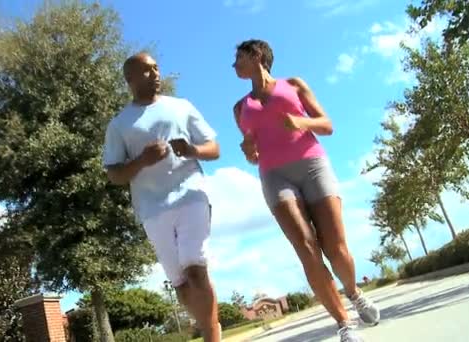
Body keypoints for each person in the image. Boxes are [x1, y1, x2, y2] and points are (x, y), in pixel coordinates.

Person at [231, 39, 380, 342]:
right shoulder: (239, 108)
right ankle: (344, 324)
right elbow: (254, 155)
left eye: (239, 58)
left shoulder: (294, 85)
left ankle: (353, 292)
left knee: (335, 247)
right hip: (275, 175)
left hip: (313, 165)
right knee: (307, 249)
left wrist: (300, 121)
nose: (234, 65)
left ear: (256, 55)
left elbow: (327, 125)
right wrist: (248, 151)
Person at [103, 52, 221, 341]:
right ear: (129, 79)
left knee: (195, 266)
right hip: (152, 209)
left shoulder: (181, 107)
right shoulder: (119, 125)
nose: (155, 73)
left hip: (190, 194)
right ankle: (210, 327)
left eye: (156, 68)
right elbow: (115, 175)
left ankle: (211, 335)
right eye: (146, 70)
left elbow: (214, 148)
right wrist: (142, 160)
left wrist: (192, 150)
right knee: (181, 284)